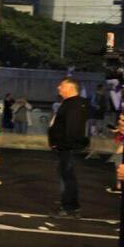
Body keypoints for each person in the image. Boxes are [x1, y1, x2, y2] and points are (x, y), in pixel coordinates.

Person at [48, 77, 89, 218]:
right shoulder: (70, 103)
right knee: (68, 177)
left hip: (67, 148)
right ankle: (73, 206)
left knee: (67, 178)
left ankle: (67, 208)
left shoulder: (74, 105)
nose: (58, 88)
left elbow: (72, 129)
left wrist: (62, 144)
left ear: (70, 88)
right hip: (65, 147)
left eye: (61, 86)